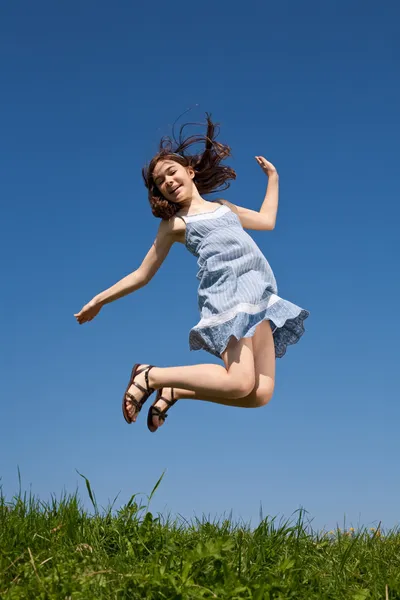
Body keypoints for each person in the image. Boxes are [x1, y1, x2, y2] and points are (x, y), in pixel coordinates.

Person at [74, 114, 309, 433]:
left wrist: (274, 178)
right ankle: (150, 375)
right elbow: (142, 274)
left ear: (189, 170)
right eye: (160, 182)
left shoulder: (226, 207)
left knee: (260, 395)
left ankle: (175, 391)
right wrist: (99, 300)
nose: (168, 181)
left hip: (262, 298)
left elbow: (267, 220)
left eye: (171, 172)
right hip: (229, 296)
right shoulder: (175, 225)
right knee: (239, 383)